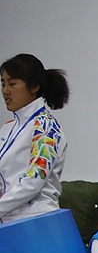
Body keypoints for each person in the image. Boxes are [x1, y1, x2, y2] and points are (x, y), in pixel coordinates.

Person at [0, 54, 69, 223]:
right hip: (8, 220)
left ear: (34, 86)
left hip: (37, 220)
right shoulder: (8, 127)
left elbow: (34, 181)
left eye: (12, 83)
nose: (6, 90)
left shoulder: (46, 127)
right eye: (3, 84)